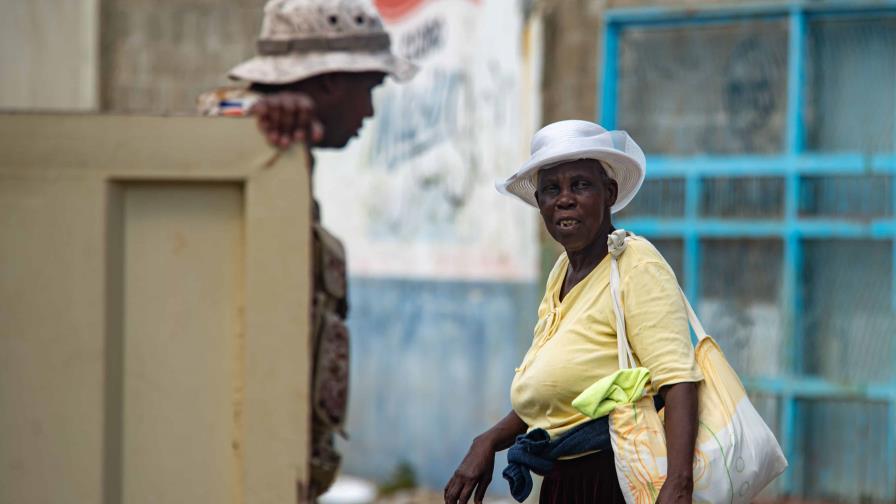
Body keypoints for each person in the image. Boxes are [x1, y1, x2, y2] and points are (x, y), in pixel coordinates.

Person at [200, 0, 417, 499]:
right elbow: (206, 116)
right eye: (369, 90)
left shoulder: (288, 161)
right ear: (329, 83)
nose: (368, 111)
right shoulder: (242, 139)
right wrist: (254, 110)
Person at [444, 120, 702, 504]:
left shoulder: (634, 264)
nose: (564, 199)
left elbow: (678, 379)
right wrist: (489, 441)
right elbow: (559, 387)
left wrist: (678, 486)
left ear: (609, 193)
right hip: (566, 482)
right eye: (551, 189)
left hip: (616, 482)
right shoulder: (562, 271)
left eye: (580, 185)